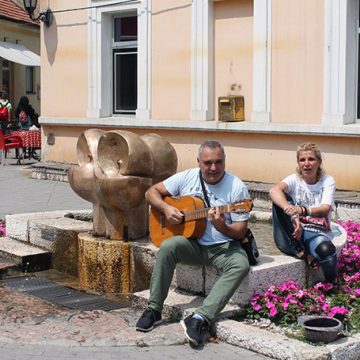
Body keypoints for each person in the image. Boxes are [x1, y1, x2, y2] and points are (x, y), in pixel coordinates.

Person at [136, 140, 251, 346]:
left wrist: (221, 226)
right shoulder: (187, 177)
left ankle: (200, 318)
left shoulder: (237, 188)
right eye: (208, 163)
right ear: (199, 162)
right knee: (168, 247)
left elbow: (240, 231)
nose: (213, 168)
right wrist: (166, 209)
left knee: (241, 264)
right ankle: (154, 309)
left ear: (224, 161)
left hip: (223, 247)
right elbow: (150, 193)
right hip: (193, 243)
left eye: (218, 162)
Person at [269, 143, 338, 283]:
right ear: (298, 163)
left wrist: (302, 210)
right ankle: (303, 253)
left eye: (311, 159)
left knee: (326, 251)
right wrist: (293, 214)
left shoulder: (327, 181)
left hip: (316, 232)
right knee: (280, 201)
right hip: (291, 236)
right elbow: (273, 190)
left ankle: (332, 286)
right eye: (302, 160)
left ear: (319, 162)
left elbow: (325, 209)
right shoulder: (294, 179)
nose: (306, 164)